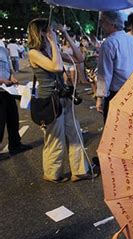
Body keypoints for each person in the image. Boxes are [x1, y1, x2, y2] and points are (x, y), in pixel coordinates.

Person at [27, 18, 94, 183]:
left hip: (63, 97)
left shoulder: (52, 48)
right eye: (49, 31)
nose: (53, 34)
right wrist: (53, 43)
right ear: (41, 32)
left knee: (75, 133)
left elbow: (78, 58)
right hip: (49, 100)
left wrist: (65, 34)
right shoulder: (34, 53)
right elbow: (56, 67)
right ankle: (52, 173)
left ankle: (79, 170)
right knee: (55, 139)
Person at [96, 11, 133, 122]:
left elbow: (105, 74)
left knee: (115, 128)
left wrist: (100, 97)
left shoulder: (109, 43)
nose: (101, 26)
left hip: (118, 94)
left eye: (102, 22)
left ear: (111, 24)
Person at [0, 46, 32, 161]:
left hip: (8, 89)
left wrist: (12, 77)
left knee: (13, 118)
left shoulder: (2, 49)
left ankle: (15, 144)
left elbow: (8, 68)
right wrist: (2, 81)